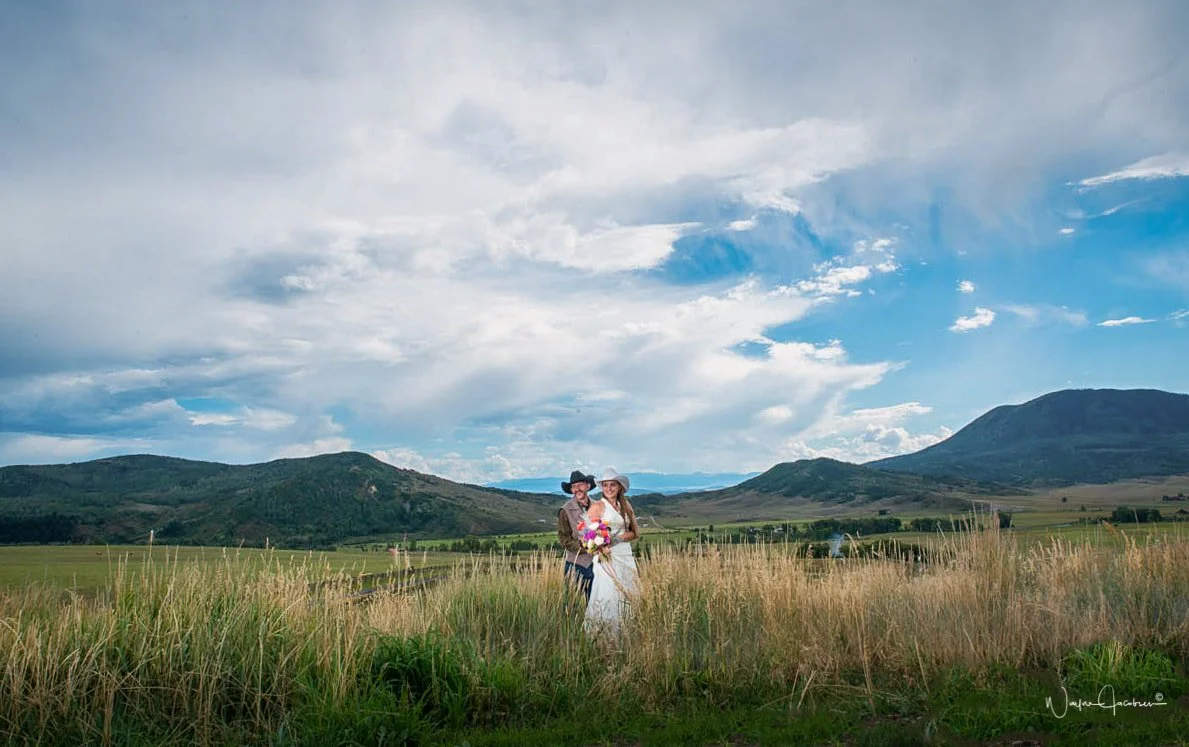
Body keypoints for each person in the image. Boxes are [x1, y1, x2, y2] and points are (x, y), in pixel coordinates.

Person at [584, 468, 640, 635]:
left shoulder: (625, 505)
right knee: (609, 594)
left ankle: (627, 633)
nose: (609, 489)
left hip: (625, 555)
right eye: (606, 485)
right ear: (602, 487)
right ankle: (605, 635)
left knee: (629, 593)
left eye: (612, 485)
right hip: (607, 557)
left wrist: (617, 539)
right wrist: (599, 546)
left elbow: (635, 532)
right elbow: (587, 537)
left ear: (619, 487)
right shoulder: (597, 507)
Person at [557, 469, 597, 602]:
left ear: (588, 486)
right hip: (575, 564)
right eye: (573, 487)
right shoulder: (565, 510)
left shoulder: (598, 506)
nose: (577, 489)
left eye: (580, 485)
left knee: (595, 603)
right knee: (570, 605)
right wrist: (582, 546)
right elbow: (564, 539)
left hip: (598, 564)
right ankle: (568, 624)